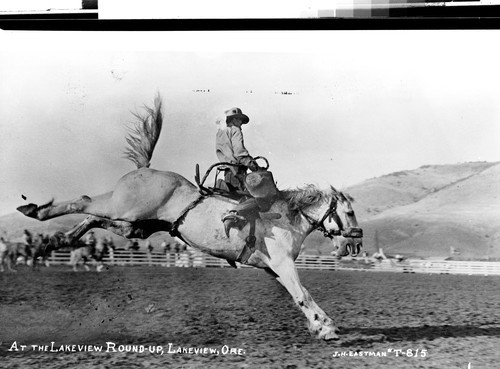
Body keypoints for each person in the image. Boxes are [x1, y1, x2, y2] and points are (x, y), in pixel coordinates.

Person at [215, 107, 261, 234]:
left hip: (227, 171)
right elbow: (239, 152)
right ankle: (233, 219)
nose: (241, 123)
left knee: (236, 196)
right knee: (254, 198)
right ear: (234, 119)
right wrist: (252, 164)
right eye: (239, 120)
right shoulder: (236, 130)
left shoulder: (221, 132)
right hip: (237, 171)